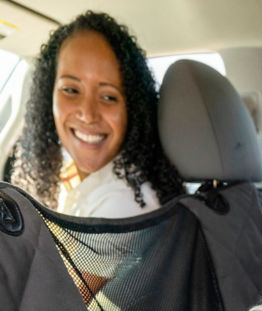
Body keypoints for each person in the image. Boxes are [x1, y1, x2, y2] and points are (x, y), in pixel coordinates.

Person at [11, 11, 183, 217]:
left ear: (133, 109)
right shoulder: (83, 182)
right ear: (49, 97)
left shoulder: (123, 205)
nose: (88, 114)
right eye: (71, 90)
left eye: (109, 97)